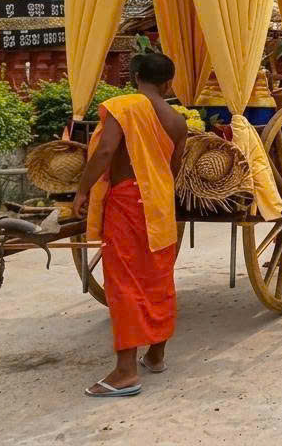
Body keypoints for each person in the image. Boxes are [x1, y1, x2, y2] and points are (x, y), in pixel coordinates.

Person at [72, 53, 189, 398]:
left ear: (136, 76)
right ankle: (156, 355)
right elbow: (172, 167)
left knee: (124, 282)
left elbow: (105, 151)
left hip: (127, 201)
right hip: (160, 203)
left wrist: (82, 189)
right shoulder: (178, 121)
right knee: (158, 278)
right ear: (169, 83)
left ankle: (125, 372)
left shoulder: (124, 106)